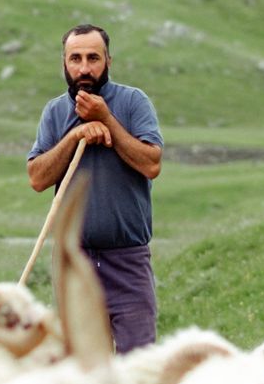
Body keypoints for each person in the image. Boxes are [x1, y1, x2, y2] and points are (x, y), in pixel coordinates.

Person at [27, 23, 163, 352]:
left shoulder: (133, 102)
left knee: (138, 363)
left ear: (108, 61)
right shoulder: (55, 112)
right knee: (81, 367)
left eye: (93, 58)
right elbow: (37, 178)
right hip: (76, 261)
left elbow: (151, 164)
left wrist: (107, 120)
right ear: (64, 62)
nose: (84, 68)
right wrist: (74, 136)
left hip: (127, 260)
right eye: (75, 59)